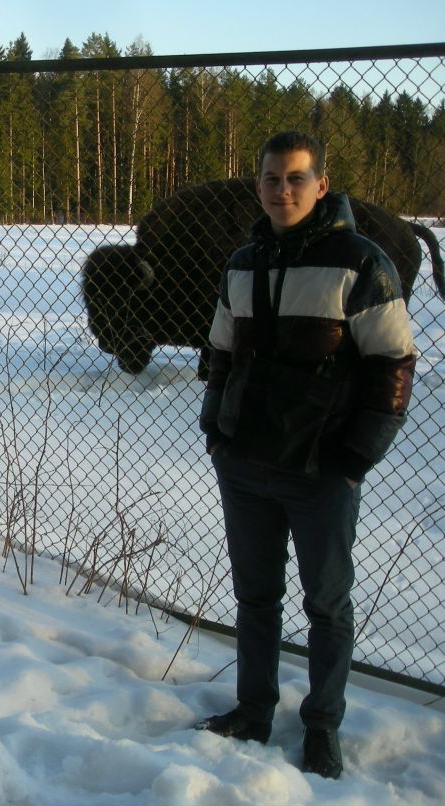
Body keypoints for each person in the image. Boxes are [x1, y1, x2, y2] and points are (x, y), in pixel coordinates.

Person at [195, 130, 416, 779]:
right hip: (246, 465)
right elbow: (221, 353)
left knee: (327, 604)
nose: (282, 190)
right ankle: (254, 710)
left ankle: (322, 724)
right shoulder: (242, 263)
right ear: (258, 185)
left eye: (295, 178)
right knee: (256, 596)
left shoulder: (361, 262)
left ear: (321, 185)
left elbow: (393, 365)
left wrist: (354, 457)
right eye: (270, 178)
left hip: (322, 471)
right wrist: (217, 429)